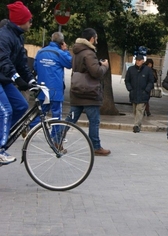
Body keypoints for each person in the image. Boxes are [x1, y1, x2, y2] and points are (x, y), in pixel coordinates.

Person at [0, 1, 36, 165]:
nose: (31, 22)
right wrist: (17, 79)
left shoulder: (18, 37)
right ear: (20, 20)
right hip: (4, 77)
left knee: (21, 105)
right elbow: (3, 61)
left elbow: (21, 63)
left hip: (4, 79)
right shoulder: (4, 36)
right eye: (28, 19)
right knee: (6, 110)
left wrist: (31, 80)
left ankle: (2, 135)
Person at [65, 28, 111, 156]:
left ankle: (57, 139)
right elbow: (96, 72)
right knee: (94, 121)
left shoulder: (76, 52)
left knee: (70, 119)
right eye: (96, 37)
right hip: (89, 93)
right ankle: (96, 146)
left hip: (77, 91)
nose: (96, 40)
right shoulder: (89, 53)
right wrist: (104, 66)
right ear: (92, 38)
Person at [30, 32, 72, 132]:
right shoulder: (60, 53)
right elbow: (70, 64)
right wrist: (66, 50)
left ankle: (31, 130)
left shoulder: (40, 52)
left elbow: (35, 67)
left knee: (41, 111)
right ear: (62, 42)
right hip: (55, 88)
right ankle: (55, 136)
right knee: (56, 114)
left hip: (42, 87)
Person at [125, 55, 154, 133]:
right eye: (137, 60)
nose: (138, 61)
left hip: (143, 93)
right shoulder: (131, 69)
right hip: (134, 93)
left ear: (143, 61)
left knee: (139, 110)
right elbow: (127, 80)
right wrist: (130, 89)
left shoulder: (147, 70)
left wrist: (147, 90)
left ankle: (136, 125)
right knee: (135, 110)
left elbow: (151, 81)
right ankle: (137, 124)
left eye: (139, 60)